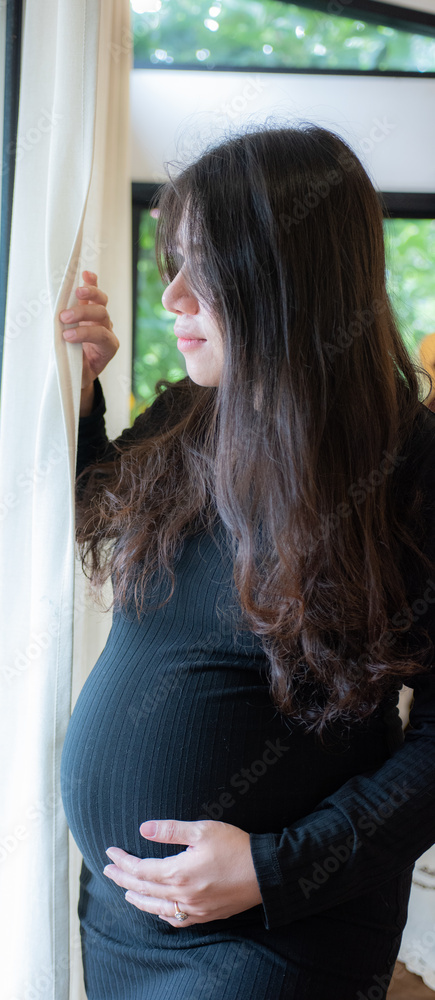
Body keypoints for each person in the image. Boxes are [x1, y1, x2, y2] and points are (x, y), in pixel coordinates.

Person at [58, 123, 435, 1000]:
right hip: (123, 917)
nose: (173, 295)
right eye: (174, 265)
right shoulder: (192, 416)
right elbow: (93, 504)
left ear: (284, 279)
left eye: (204, 269)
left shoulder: (412, 468)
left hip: (280, 930)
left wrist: (275, 868)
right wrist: (77, 388)